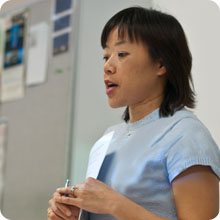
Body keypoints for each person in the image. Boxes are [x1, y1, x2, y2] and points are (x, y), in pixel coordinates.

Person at [47, 6, 220, 220]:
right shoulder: (109, 137)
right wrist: (74, 214)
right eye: (106, 56)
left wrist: (114, 204)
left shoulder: (187, 136)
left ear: (160, 63)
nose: (108, 66)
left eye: (121, 54)